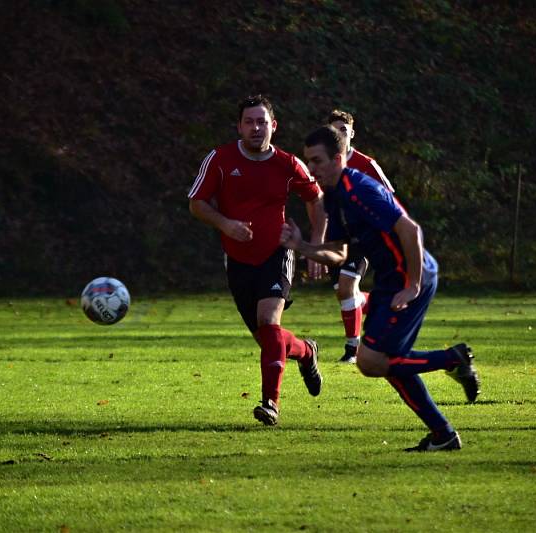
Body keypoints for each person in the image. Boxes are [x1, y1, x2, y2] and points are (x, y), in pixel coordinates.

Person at [280, 125, 481, 451]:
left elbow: (411, 230)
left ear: (338, 158)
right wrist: (302, 246)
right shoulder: (334, 196)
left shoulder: (359, 189)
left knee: (372, 361)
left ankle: (453, 359)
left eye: (316, 161)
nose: (311, 168)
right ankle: (443, 435)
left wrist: (412, 285)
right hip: (390, 280)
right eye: (308, 161)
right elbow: (341, 254)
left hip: (410, 277)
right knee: (386, 362)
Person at [188, 95, 327, 427]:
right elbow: (196, 202)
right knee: (269, 339)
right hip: (237, 261)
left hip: (276, 253)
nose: (255, 128)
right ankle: (306, 352)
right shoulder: (220, 159)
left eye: (262, 121)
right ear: (239, 126)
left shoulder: (288, 164)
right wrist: (225, 224)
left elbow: (316, 198)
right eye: (249, 122)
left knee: (269, 322)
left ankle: (270, 405)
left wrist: (316, 243)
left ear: (273, 126)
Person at [326, 110, 395, 364]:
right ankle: (378, 303)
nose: (339, 135)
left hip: (363, 239)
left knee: (346, 287)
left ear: (352, 134)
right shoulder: (324, 163)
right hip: (336, 239)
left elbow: (389, 197)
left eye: (344, 130)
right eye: (334, 130)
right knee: (345, 294)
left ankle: (352, 349)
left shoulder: (366, 164)